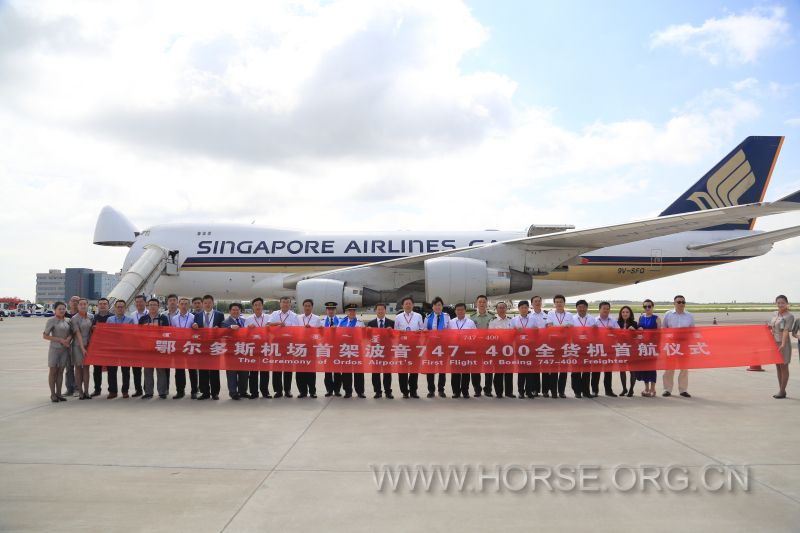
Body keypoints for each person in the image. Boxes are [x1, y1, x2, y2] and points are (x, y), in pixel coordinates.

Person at [268, 296, 301, 397]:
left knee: (288, 367)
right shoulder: (274, 314)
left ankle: (287, 390)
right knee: (276, 367)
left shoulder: (294, 316)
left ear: (290, 304)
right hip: (276, 344)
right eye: (283, 302)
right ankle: (278, 391)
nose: (285, 304)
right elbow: (268, 324)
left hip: (289, 345)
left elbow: (297, 330)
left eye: (287, 302)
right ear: (280, 304)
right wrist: (278, 324)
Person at [661, 295, 694, 398]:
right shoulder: (668, 314)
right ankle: (667, 389)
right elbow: (664, 328)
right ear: (674, 303)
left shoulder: (689, 315)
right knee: (669, 368)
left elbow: (692, 330)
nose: (681, 304)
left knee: (684, 368)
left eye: (683, 302)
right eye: (679, 302)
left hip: (684, 345)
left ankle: (683, 390)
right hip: (672, 345)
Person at [193, 294, 224, 400]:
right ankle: (205, 392)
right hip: (202, 346)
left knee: (214, 370)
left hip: (215, 346)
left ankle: (215, 393)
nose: (207, 305)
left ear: (213, 303)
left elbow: (223, 328)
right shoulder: (197, 315)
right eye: (205, 303)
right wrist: (194, 326)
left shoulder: (220, 315)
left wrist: (218, 328)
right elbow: (193, 329)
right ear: (202, 304)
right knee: (202, 370)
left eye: (209, 302)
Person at [138, 298, 170, 399]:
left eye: (154, 305)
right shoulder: (143, 319)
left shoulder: (163, 318)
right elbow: (138, 333)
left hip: (159, 348)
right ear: (147, 306)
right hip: (147, 349)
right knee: (147, 371)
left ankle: (162, 392)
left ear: (158, 306)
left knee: (161, 371)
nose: (152, 306)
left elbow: (167, 333)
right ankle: (148, 392)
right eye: (150, 305)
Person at [106, 299, 136, 398]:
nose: (120, 308)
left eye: (122, 307)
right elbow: (106, 334)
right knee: (111, 371)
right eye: (118, 307)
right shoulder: (109, 320)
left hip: (125, 349)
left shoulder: (130, 320)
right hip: (112, 349)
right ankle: (112, 391)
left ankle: (125, 391)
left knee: (125, 371)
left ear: (125, 308)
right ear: (115, 308)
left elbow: (132, 335)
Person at [395, 296, 424, 398]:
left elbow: (422, 329)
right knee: (402, 369)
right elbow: (395, 332)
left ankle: (413, 391)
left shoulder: (418, 316)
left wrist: (419, 332)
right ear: (402, 305)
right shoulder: (398, 317)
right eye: (406, 303)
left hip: (414, 346)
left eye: (410, 303)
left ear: (413, 305)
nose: (408, 305)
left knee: (414, 369)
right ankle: (404, 391)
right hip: (402, 346)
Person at [544, 294, 572, 398]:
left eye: (561, 302)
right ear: (554, 303)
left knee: (564, 369)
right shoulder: (550, 313)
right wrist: (564, 326)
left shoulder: (569, 314)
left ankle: (561, 391)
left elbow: (571, 327)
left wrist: (557, 327)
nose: (559, 303)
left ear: (564, 303)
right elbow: (550, 326)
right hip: (553, 344)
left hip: (565, 344)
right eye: (557, 302)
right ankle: (554, 391)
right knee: (554, 368)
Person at [43, 301, 71, 402]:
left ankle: (59, 393)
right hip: (54, 349)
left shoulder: (68, 320)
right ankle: (53, 394)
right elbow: (45, 335)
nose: (62, 310)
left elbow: (71, 333)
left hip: (65, 350)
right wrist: (59, 340)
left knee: (61, 372)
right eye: (60, 309)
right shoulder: (51, 321)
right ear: (55, 310)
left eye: (64, 309)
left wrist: (68, 339)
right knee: (53, 371)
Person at [244, 297, 271, 399]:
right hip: (253, 348)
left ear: (262, 306)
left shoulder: (269, 318)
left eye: (259, 305)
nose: (258, 307)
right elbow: (244, 335)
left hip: (265, 348)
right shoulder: (248, 319)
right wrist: (248, 329)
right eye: (255, 305)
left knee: (265, 371)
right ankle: (254, 392)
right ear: (252, 307)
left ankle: (265, 392)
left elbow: (275, 331)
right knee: (253, 372)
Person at [510, 300, 538, 399]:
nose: (524, 309)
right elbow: (510, 334)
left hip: (530, 348)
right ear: (519, 309)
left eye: (526, 307)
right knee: (521, 371)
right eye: (522, 307)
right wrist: (516, 331)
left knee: (530, 371)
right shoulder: (514, 320)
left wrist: (535, 331)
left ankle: (529, 391)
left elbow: (537, 334)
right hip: (519, 348)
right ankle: (521, 391)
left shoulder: (533, 320)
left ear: (528, 309)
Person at [171, 297, 197, 399]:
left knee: (192, 370)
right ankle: (180, 391)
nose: (184, 306)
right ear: (178, 305)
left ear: (189, 305)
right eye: (182, 304)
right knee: (179, 371)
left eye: (186, 304)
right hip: (178, 348)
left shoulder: (193, 317)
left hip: (190, 347)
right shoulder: (174, 319)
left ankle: (194, 391)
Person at [122, 294, 148, 398]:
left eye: (141, 302)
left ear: (145, 303)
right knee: (136, 370)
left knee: (147, 370)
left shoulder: (150, 314)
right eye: (137, 302)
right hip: (134, 346)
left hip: (146, 346)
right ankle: (138, 390)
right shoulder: (131, 315)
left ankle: (148, 390)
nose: (139, 304)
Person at [448, 303, 476, 398]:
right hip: (454, 350)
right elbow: (447, 336)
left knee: (466, 371)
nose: (460, 311)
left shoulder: (470, 322)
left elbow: (475, 335)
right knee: (455, 372)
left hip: (466, 350)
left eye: (462, 309)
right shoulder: (451, 322)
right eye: (458, 310)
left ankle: (465, 391)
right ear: (455, 311)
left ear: (465, 310)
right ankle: (456, 392)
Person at [338, 303, 366, 398]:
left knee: (358, 371)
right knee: (346, 371)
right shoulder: (341, 322)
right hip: (345, 349)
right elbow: (337, 335)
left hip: (357, 349)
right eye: (350, 310)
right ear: (346, 312)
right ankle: (348, 391)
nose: (352, 312)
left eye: (354, 310)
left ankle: (360, 391)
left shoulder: (360, 322)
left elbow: (364, 336)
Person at [367, 303, 394, 399]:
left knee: (387, 372)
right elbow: (367, 338)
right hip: (375, 351)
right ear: (375, 311)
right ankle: (377, 391)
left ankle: (388, 391)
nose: (380, 311)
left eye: (382, 309)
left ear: (385, 310)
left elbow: (394, 338)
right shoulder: (371, 323)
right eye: (378, 309)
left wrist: (391, 331)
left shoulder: (391, 323)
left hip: (387, 351)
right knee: (375, 373)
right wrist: (368, 331)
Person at [570, 299, 596, 398]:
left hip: (588, 347)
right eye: (579, 307)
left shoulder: (592, 319)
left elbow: (596, 333)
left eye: (583, 307)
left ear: (586, 308)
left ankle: (586, 391)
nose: (582, 309)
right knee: (576, 371)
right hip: (576, 347)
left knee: (586, 371)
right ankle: (577, 391)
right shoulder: (572, 319)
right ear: (576, 308)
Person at [222, 302, 248, 400]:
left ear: (240, 311)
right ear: (230, 311)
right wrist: (230, 328)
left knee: (244, 373)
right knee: (231, 374)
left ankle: (243, 391)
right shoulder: (225, 322)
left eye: (237, 310)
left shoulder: (244, 321)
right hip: (231, 352)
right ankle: (233, 393)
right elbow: (222, 332)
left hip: (243, 350)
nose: (235, 311)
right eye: (233, 310)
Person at [770, 295, 794, 399]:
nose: (780, 305)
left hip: (783, 344)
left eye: (782, 303)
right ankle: (781, 390)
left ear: (787, 303)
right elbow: (774, 327)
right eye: (778, 303)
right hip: (774, 343)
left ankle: (782, 390)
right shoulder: (775, 314)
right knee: (778, 367)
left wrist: (783, 344)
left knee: (784, 367)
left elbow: (785, 330)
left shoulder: (789, 316)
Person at [470, 295, 494, 397]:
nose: (482, 304)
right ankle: (477, 389)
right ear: (476, 303)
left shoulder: (492, 317)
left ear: (487, 303)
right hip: (476, 347)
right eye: (480, 302)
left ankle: (488, 389)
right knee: (475, 369)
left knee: (489, 369)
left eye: (484, 302)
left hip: (489, 347)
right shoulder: (472, 317)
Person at [296, 299, 322, 398]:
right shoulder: (298, 318)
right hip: (300, 347)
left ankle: (312, 391)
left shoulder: (317, 318)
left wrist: (312, 329)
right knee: (300, 370)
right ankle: (302, 391)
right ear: (303, 307)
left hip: (311, 346)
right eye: (305, 306)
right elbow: (294, 330)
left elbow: (321, 333)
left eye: (309, 306)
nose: (307, 308)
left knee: (311, 370)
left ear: (312, 307)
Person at [425, 297, 450, 398]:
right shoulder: (428, 317)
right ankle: (431, 390)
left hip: (443, 345)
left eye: (439, 305)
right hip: (431, 346)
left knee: (442, 368)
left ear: (442, 306)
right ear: (432, 307)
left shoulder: (447, 316)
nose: (437, 307)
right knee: (430, 368)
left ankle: (441, 390)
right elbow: (424, 330)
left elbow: (450, 330)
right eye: (435, 305)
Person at [594, 301, 620, 397]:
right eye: (604, 308)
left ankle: (608, 390)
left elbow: (619, 332)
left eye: (607, 308)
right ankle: (595, 390)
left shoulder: (613, 321)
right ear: (599, 309)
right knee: (596, 371)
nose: (606, 310)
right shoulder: (594, 320)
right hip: (598, 349)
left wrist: (613, 330)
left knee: (608, 371)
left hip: (609, 349)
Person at [489, 302, 514, 398]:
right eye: (500, 308)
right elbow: (491, 336)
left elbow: (514, 334)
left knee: (508, 372)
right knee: (498, 371)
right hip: (498, 350)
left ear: (506, 309)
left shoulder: (511, 321)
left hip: (509, 349)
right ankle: (499, 392)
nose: (502, 309)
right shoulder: (493, 321)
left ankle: (509, 392)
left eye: (504, 307)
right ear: (496, 309)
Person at [69, 298, 94, 400]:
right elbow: (77, 334)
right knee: (78, 368)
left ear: (88, 305)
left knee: (87, 369)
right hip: (77, 346)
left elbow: (92, 332)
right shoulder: (74, 318)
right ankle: (80, 392)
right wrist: (82, 348)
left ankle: (87, 391)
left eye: (85, 304)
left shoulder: (91, 317)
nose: (83, 306)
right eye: (81, 304)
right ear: (78, 306)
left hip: (89, 345)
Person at [90, 297, 111, 397]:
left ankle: (112, 390)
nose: (103, 305)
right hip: (97, 347)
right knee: (96, 370)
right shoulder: (93, 318)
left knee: (112, 370)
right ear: (98, 306)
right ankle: (97, 389)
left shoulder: (112, 317)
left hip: (110, 348)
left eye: (105, 304)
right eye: (101, 304)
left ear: (108, 305)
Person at [638, 299, 660, 397]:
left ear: (652, 307)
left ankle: (653, 388)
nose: (647, 308)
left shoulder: (657, 318)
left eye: (649, 306)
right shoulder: (641, 318)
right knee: (644, 368)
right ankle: (646, 388)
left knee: (652, 368)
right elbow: (638, 333)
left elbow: (660, 334)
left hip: (653, 346)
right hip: (643, 346)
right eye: (645, 306)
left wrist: (658, 347)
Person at [617, 306, 638, 397]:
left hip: (631, 350)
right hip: (621, 349)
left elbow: (638, 337)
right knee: (622, 370)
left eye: (627, 312)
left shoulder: (635, 323)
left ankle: (631, 389)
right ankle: (624, 388)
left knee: (632, 371)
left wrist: (635, 332)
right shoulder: (617, 323)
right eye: (623, 312)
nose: (625, 314)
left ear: (630, 314)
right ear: (621, 314)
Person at [528, 295, 548, 397]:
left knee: (545, 368)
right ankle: (534, 389)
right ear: (531, 303)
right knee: (534, 369)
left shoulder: (547, 315)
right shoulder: (528, 316)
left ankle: (545, 390)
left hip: (545, 345)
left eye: (539, 301)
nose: (537, 303)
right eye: (535, 301)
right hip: (533, 345)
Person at [322, 302, 342, 397]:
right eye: (329, 309)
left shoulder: (341, 322)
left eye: (332, 309)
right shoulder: (321, 322)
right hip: (326, 349)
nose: (330, 311)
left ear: (335, 310)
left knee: (337, 371)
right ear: (326, 310)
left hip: (337, 349)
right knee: (328, 372)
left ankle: (337, 390)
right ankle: (329, 390)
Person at [63, 295, 80, 396]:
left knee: (79, 368)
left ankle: (78, 388)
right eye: (73, 301)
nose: (75, 303)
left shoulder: (82, 316)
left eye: (77, 301)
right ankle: (69, 388)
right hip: (67, 346)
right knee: (68, 368)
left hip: (78, 345)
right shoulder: (64, 315)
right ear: (69, 302)